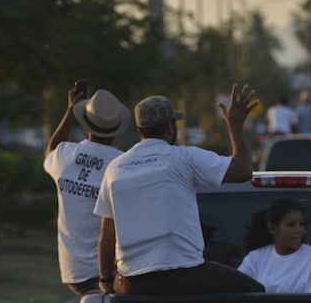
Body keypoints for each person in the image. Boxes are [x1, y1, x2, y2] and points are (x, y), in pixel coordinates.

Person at [94, 84, 265, 296]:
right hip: (183, 277)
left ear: (140, 130)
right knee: (256, 292)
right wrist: (235, 125)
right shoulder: (184, 157)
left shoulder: (114, 168)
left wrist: (106, 281)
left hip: (131, 283)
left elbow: (106, 236)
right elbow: (242, 170)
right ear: (169, 126)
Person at [43, 88, 131, 296]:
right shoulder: (122, 163)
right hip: (111, 272)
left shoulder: (65, 155)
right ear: (117, 130)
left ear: (85, 127)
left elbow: (51, 150)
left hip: (74, 273)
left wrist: (70, 110)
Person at [238, 198, 311, 293]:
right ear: (272, 228)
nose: (299, 230)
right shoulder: (255, 257)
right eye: (291, 225)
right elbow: (237, 288)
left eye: (301, 224)